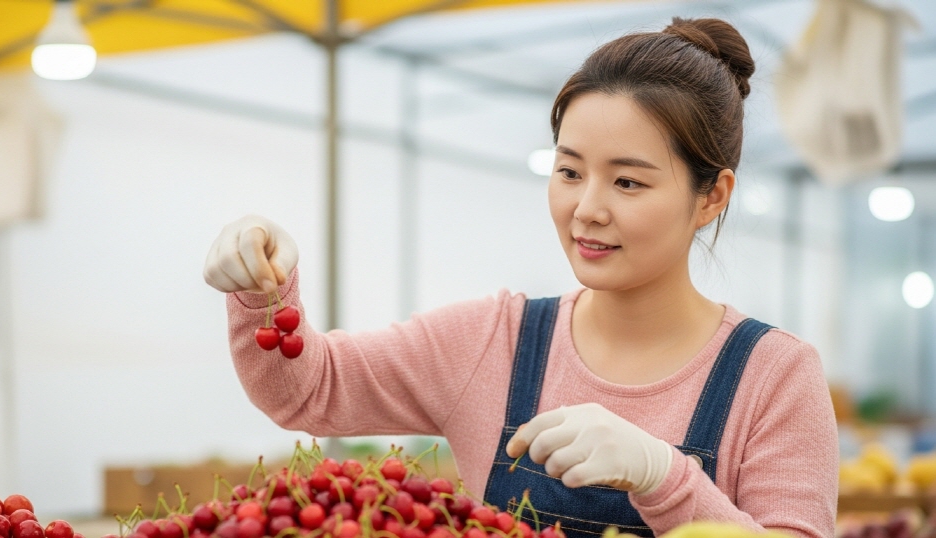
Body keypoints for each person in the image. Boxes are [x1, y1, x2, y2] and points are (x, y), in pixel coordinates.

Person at [203, 16, 839, 538]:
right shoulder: (495, 341)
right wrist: (263, 286)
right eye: (568, 172)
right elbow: (309, 389)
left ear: (712, 196)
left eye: (628, 181)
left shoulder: (774, 377)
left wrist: (662, 478)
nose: (586, 207)